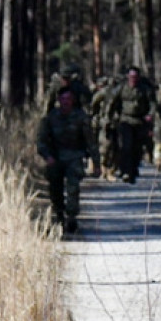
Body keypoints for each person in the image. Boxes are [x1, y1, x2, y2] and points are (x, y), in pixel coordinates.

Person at [37, 88, 101, 233]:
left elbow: (91, 142)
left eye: (68, 99)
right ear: (59, 100)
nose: (65, 102)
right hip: (55, 158)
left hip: (74, 157)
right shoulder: (50, 118)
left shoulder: (81, 117)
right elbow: (41, 141)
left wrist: (96, 163)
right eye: (63, 99)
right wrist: (47, 156)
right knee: (55, 190)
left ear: (72, 101)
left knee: (73, 189)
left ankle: (71, 217)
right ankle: (59, 214)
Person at [110, 66, 155, 184]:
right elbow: (112, 103)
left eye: (135, 77)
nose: (133, 79)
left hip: (140, 122)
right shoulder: (121, 88)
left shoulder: (145, 90)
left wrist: (150, 115)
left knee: (137, 148)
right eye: (131, 77)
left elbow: (152, 104)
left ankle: (133, 169)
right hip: (126, 120)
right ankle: (126, 171)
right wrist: (111, 117)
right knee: (126, 146)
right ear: (127, 77)